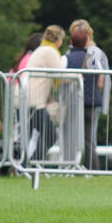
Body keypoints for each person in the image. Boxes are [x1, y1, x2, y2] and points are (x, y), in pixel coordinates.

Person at [66, 19, 111, 172]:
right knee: (88, 136)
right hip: (91, 99)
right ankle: (88, 167)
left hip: (83, 99)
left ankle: (85, 167)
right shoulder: (95, 52)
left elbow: (101, 80)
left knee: (85, 136)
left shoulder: (90, 53)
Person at [24, 26, 65, 160]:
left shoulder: (41, 49)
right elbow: (61, 74)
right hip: (34, 102)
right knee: (50, 135)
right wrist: (78, 76)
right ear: (58, 40)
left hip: (27, 99)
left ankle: (25, 165)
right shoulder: (50, 51)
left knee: (27, 137)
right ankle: (31, 164)